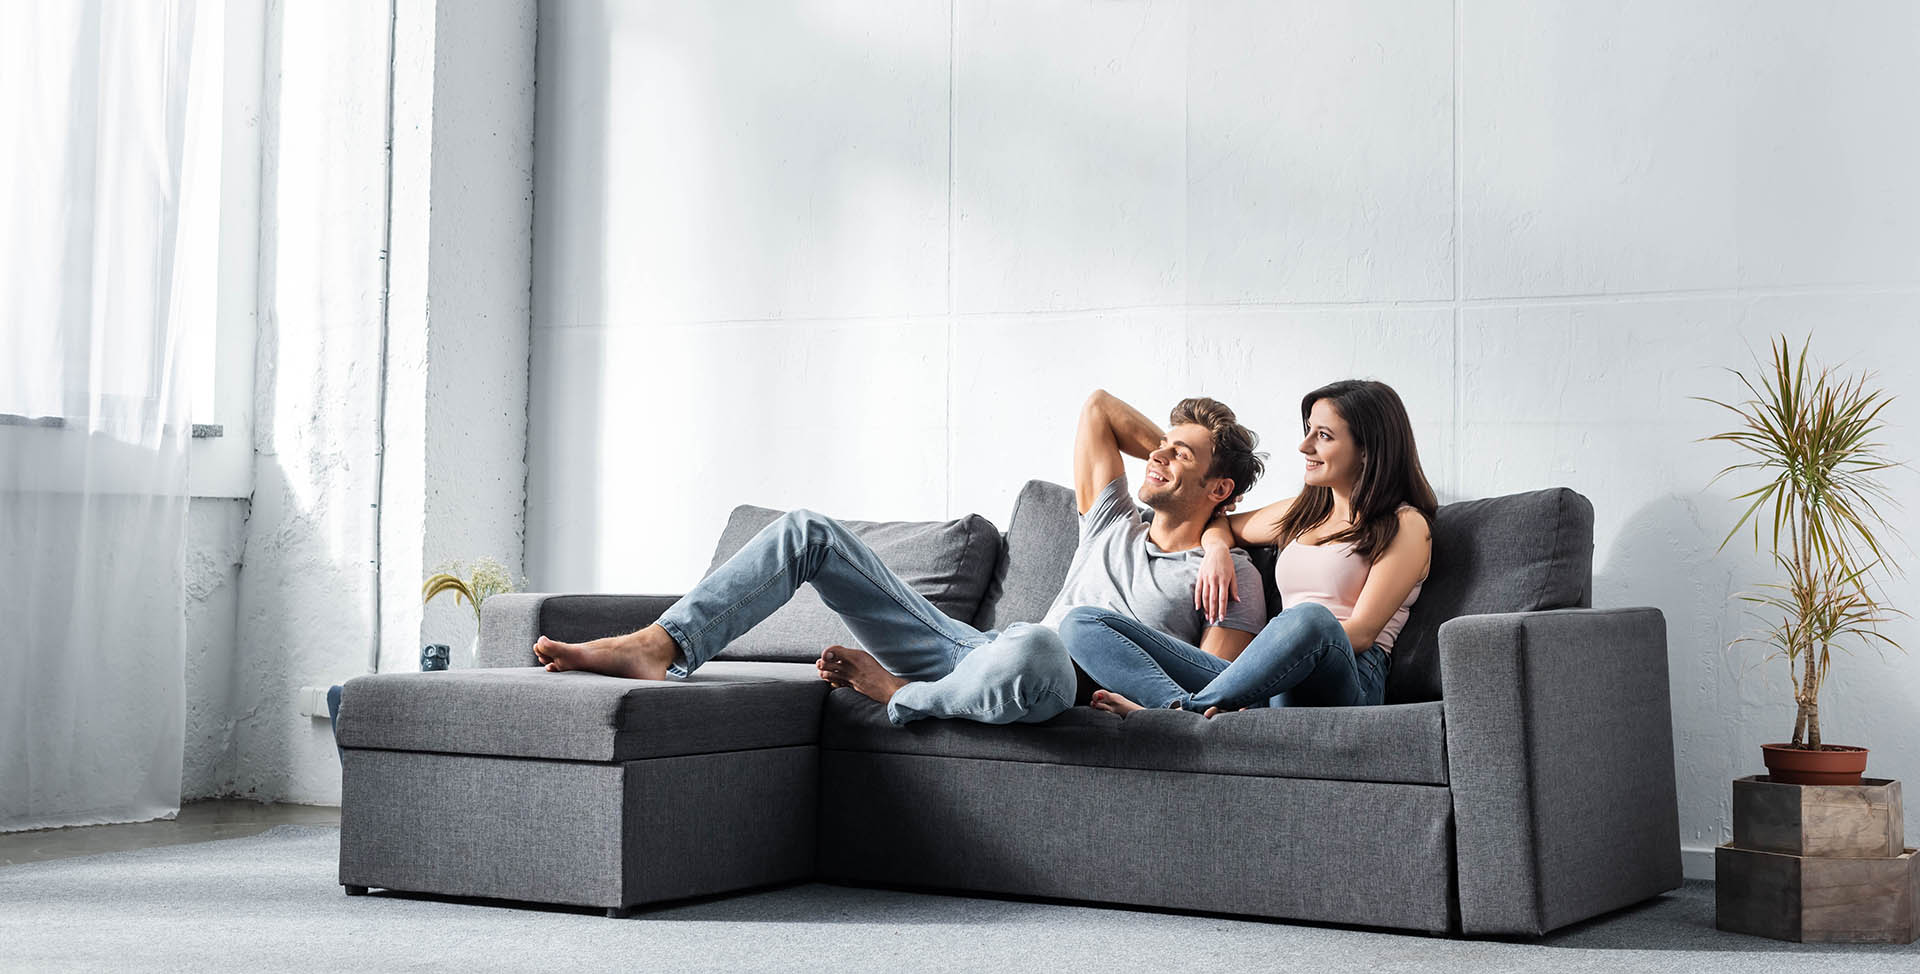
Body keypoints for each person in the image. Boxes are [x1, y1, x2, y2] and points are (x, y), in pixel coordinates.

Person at [531, 390, 1271, 726]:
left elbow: (1214, 694)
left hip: (1049, 680)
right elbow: (1099, 409)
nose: (1162, 455)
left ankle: (899, 698)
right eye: (1162, 444)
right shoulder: (1111, 516)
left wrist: (1219, 536)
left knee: (1045, 644)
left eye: (1186, 453)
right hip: (974, 648)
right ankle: (661, 645)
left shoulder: (1230, 576)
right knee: (807, 531)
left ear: (1222, 485)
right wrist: (1185, 473)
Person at [1062, 379, 1435, 717]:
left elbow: (1363, 632)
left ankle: (1188, 712)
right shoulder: (1303, 512)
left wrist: (1280, 645)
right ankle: (1170, 708)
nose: (1304, 446)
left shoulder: (1405, 525)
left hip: (1346, 678)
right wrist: (1217, 553)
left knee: (1310, 618)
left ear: (1367, 450)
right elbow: (1221, 522)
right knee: (1081, 623)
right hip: (1273, 682)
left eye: (1323, 435)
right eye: (1308, 431)